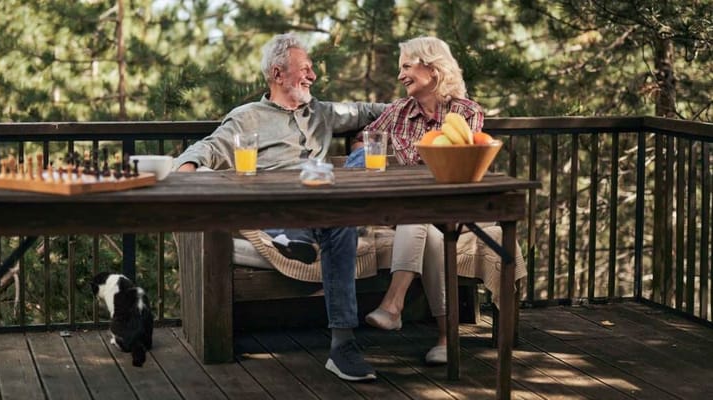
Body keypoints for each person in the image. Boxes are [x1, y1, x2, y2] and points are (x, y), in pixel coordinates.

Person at [174, 33, 387, 381]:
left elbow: (369, 111)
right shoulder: (248, 117)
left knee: (343, 221)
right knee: (301, 216)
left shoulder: (323, 112)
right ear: (277, 74)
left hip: (322, 203)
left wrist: (418, 102)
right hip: (275, 205)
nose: (313, 76)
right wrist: (186, 171)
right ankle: (290, 233)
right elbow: (209, 148)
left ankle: (342, 346)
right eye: (305, 68)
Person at [346, 36, 484, 365]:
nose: (400, 75)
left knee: (423, 224)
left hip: (451, 210)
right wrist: (366, 154)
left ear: (432, 68)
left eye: (407, 66)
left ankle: (394, 304)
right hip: (411, 211)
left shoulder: (466, 113)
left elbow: (459, 164)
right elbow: (361, 142)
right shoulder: (399, 111)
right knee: (424, 229)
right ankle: (445, 338)